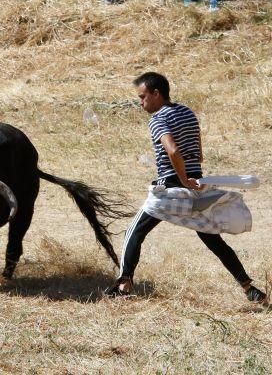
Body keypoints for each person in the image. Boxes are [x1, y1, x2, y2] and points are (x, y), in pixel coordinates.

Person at [106, 71, 267, 306]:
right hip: (197, 187)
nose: (141, 103)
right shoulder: (187, 112)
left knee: (135, 231)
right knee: (213, 240)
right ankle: (248, 287)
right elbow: (198, 152)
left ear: (156, 93)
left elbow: (172, 150)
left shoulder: (159, 119)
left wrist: (181, 178)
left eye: (143, 97)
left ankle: (124, 285)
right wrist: (189, 175)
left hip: (171, 188)